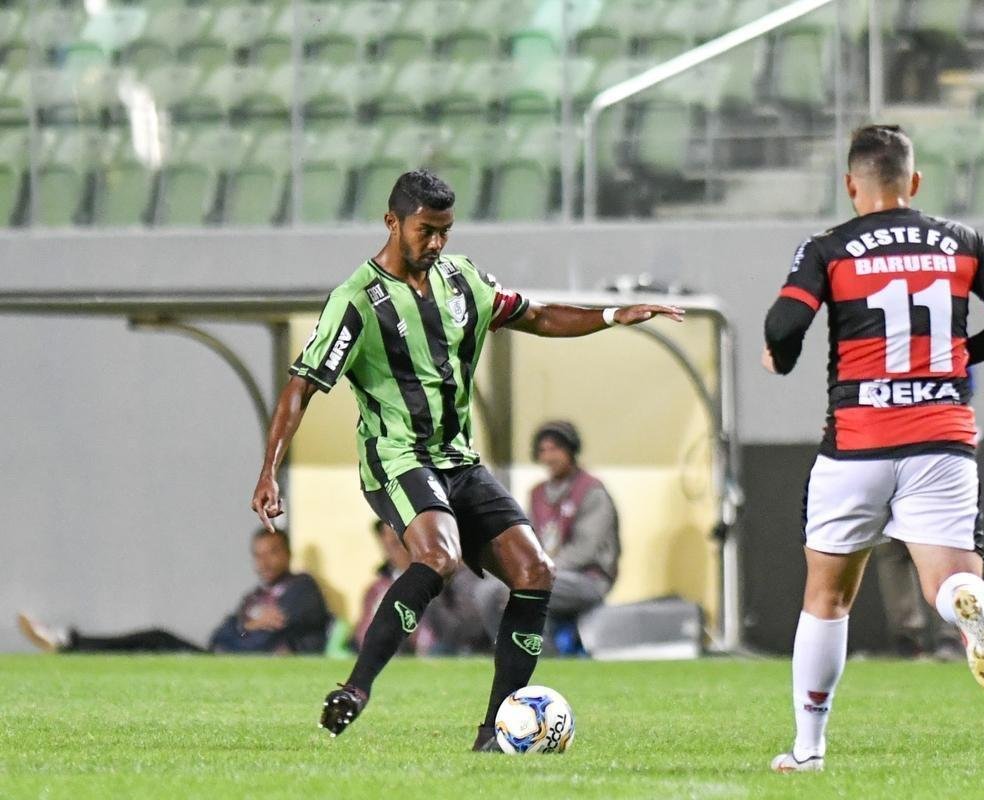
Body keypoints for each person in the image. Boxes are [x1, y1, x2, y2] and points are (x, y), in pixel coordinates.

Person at [248, 169, 683, 750]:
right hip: (397, 459)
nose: (436, 244)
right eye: (426, 231)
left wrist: (608, 316)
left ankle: (495, 731)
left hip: (460, 461)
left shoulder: (462, 280)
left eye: (445, 232)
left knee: (536, 573)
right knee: (440, 554)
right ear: (392, 223)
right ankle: (356, 687)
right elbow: (301, 386)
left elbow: (533, 315)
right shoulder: (357, 301)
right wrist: (269, 469)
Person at [761, 124, 984, 773]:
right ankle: (963, 608)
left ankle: (809, 748)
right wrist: (963, 352)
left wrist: (783, 355)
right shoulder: (960, 241)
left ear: (851, 185)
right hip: (942, 439)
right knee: (950, 578)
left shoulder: (831, 247)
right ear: (913, 183)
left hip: (856, 443)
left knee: (827, 599)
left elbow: (784, 322)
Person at [18, 528, 330, 655]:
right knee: (152, 640)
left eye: (272, 552)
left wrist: (244, 634)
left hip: (238, 665)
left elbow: (279, 634)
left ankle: (69, 643)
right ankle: (69, 642)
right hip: (221, 659)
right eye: (257, 554)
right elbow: (221, 635)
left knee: (156, 640)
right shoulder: (254, 598)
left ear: (287, 553)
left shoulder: (301, 587)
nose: (264, 561)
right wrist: (246, 628)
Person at [476, 421, 621, 646]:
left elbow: (585, 551)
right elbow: (527, 540)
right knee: (487, 591)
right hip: (545, 573)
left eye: (555, 449)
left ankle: (541, 654)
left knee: (528, 590)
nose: (548, 457)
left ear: (571, 450)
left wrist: (539, 571)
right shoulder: (537, 494)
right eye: (543, 450)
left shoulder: (591, 492)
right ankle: (505, 650)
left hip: (587, 579)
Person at [355, 520, 490, 656]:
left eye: (404, 541)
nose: (402, 550)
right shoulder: (379, 590)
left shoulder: (457, 578)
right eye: (393, 545)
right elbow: (367, 637)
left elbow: (468, 629)